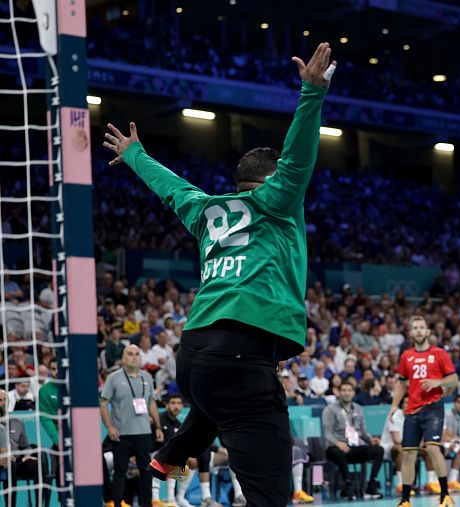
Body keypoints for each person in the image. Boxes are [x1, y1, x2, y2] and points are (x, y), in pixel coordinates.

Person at [104, 43, 337, 507]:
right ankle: (176, 448)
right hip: (242, 355)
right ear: (272, 182)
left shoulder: (208, 210)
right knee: (271, 495)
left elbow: (173, 190)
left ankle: (172, 451)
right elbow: (298, 158)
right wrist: (312, 94)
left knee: (217, 400)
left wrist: (135, 155)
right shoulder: (279, 201)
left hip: (193, 357)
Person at [389, 316, 458, 507]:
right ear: (410, 333)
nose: (418, 331)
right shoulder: (406, 356)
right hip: (412, 409)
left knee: (433, 448)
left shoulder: (439, 354)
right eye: (415, 328)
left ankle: (445, 495)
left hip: (433, 407)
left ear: (428, 331)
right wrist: (394, 405)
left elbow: (454, 380)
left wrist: (439, 382)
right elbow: (402, 384)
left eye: (421, 327)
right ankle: (405, 500)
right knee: (408, 453)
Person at [100, 344, 164, 507]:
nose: (134, 357)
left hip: (143, 432)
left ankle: (146, 504)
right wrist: (109, 427)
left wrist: (157, 426)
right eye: (130, 354)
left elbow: (151, 403)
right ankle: (116, 504)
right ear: (123, 358)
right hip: (121, 433)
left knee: (146, 471)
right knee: (120, 472)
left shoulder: (147, 377)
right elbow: (103, 402)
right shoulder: (114, 378)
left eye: (137, 354)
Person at [321, 380, 384, 500]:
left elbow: (363, 431)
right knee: (339, 452)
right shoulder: (330, 409)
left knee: (378, 450)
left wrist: (371, 440)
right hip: (335, 448)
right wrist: (338, 443)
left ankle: (371, 485)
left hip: (354, 446)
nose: (346, 393)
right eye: (343, 390)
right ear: (339, 393)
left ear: (353, 393)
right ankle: (347, 486)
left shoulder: (358, 409)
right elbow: (327, 433)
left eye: (349, 390)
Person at [0, 389, 52, 507]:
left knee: (38, 464)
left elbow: (25, 445)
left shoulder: (17, 423)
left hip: (17, 462)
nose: (3, 403)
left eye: (5, 400)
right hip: (2, 464)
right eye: (0, 400)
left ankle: (40, 504)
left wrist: (27, 455)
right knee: (10, 464)